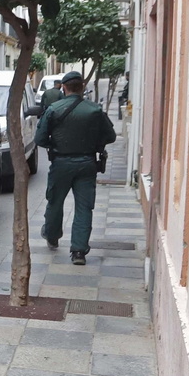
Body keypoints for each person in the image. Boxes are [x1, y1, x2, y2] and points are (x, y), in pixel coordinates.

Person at [34, 71, 117, 265]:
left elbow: (40, 139)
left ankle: (52, 235)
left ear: (63, 87)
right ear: (82, 87)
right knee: (84, 207)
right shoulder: (95, 110)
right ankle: (79, 251)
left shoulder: (53, 109)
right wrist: (95, 143)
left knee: (55, 201)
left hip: (61, 163)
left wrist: (55, 144)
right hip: (87, 163)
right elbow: (111, 136)